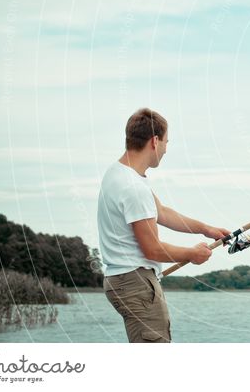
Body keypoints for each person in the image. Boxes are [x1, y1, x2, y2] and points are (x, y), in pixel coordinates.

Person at [97, 107, 229, 343]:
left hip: (124, 281)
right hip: (136, 285)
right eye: (167, 142)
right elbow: (153, 250)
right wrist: (192, 254)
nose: (167, 148)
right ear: (155, 141)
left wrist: (206, 229)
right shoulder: (133, 188)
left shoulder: (117, 173)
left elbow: (162, 213)